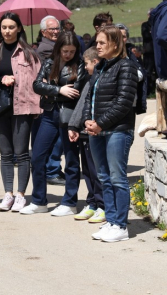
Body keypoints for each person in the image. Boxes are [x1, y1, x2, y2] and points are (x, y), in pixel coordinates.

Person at [0, 12, 41, 212]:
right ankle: (8, 194)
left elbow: (38, 81)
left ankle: (21, 195)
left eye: (11, 27)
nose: (7, 31)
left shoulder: (29, 54)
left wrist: (17, 80)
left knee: (21, 153)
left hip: (22, 108)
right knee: (5, 154)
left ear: (19, 29)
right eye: (4, 27)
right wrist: (2, 79)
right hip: (0, 108)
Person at [21, 32, 87, 216]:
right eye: (65, 51)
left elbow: (76, 90)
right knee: (37, 157)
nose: (68, 55)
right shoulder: (50, 62)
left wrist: (50, 90)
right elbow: (36, 85)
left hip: (70, 117)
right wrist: (59, 90)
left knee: (72, 160)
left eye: (72, 51)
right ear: (59, 49)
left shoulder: (80, 64)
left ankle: (69, 202)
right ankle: (39, 201)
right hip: (50, 115)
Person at [83, 25, 138, 243]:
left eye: (102, 43)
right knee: (104, 178)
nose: (97, 46)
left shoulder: (126, 67)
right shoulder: (100, 68)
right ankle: (112, 220)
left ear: (115, 44)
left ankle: (121, 226)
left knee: (117, 178)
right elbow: (90, 98)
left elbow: (123, 102)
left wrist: (100, 123)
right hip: (97, 131)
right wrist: (88, 119)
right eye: (97, 42)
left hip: (117, 131)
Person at [68, 47, 105, 223]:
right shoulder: (89, 80)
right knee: (88, 171)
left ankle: (102, 205)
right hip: (85, 131)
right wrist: (75, 125)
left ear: (95, 62)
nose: (85, 67)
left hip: (96, 130)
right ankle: (92, 203)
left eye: (86, 63)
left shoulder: (99, 79)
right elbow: (82, 105)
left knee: (97, 172)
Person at [33, 15, 66, 186]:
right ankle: (52, 170)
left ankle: (54, 168)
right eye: (51, 29)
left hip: (58, 95)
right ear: (43, 31)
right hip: (52, 96)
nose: (55, 32)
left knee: (59, 136)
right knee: (56, 137)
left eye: (57, 28)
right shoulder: (46, 49)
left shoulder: (54, 46)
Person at [115, 23, 147, 115]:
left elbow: (141, 73)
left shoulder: (132, 53)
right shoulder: (108, 55)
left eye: (124, 36)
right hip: (114, 102)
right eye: (118, 36)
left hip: (131, 100)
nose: (121, 39)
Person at [141, 9, 156, 95]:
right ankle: (147, 90)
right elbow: (146, 35)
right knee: (147, 71)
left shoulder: (155, 24)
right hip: (148, 52)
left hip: (155, 52)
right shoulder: (145, 25)